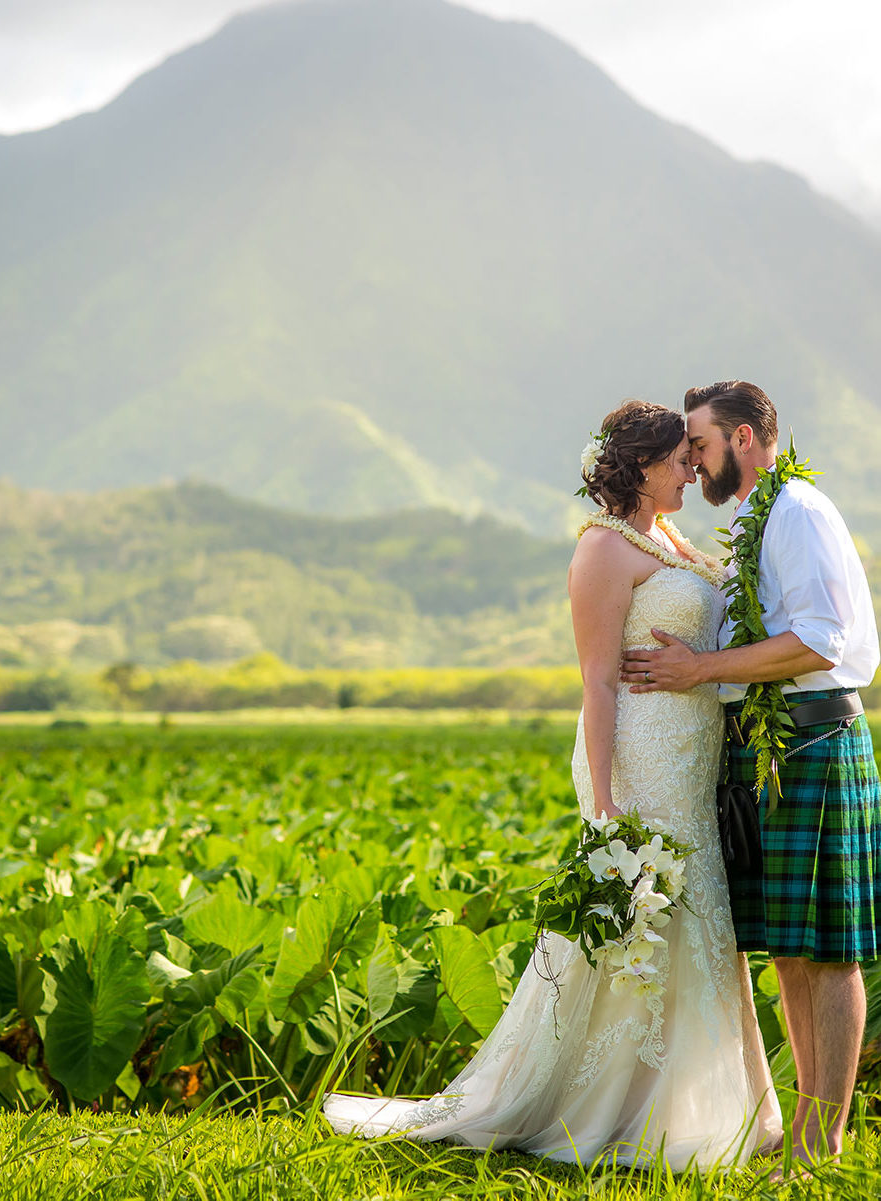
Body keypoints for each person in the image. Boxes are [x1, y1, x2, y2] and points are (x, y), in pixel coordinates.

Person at [324, 399, 782, 1168]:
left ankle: (704, 1105)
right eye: (677, 459)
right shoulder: (602, 551)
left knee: (695, 915)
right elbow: (598, 683)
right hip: (637, 755)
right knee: (641, 922)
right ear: (641, 464)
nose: (689, 469)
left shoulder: (666, 535)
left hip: (690, 752)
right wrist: (606, 803)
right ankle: (592, 1105)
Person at [621, 380, 881, 1169]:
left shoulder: (797, 511)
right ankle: (805, 1128)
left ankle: (823, 1141)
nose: (691, 463)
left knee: (828, 948)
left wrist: (699, 668)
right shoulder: (750, 521)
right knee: (789, 950)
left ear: (741, 439)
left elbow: (819, 642)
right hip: (765, 749)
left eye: (697, 444)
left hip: (812, 738)